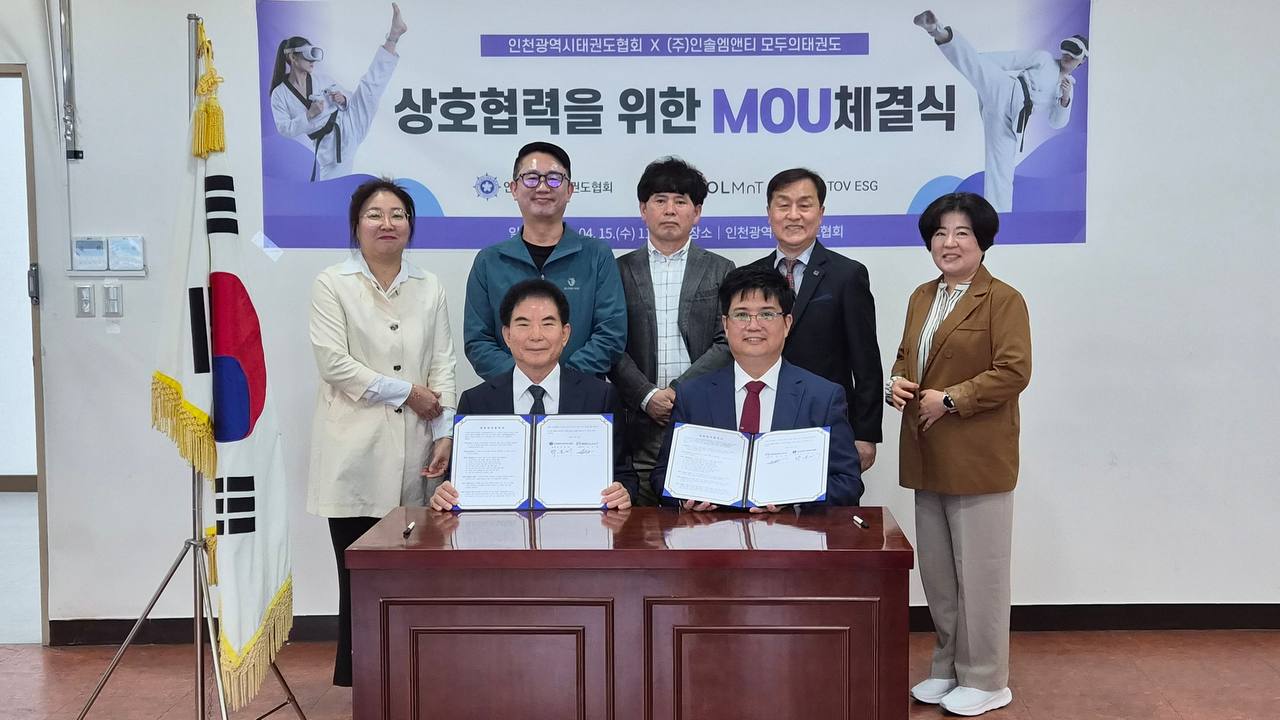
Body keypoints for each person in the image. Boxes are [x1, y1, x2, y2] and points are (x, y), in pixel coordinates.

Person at [305, 177, 457, 687]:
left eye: (398, 214)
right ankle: (362, 679)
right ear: (356, 225)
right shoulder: (333, 283)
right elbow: (334, 363)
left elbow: (443, 363)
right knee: (359, 573)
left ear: (410, 225)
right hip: (354, 451)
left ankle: (414, 674)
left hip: (418, 448)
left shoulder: (429, 286)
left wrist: (445, 431)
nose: (387, 223)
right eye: (374, 214)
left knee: (414, 572)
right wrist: (406, 392)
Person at [887, 192, 1031, 716]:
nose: (949, 243)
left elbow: (1014, 371)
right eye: (940, 233)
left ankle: (987, 678)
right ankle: (948, 668)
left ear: (982, 241)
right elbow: (907, 355)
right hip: (927, 453)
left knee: (981, 574)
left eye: (962, 233)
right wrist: (896, 382)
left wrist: (950, 399)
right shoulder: (922, 296)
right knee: (940, 575)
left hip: (977, 456)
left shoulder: (1003, 299)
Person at [650, 266, 864, 510]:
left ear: (787, 323)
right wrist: (685, 498)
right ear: (725, 325)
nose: (753, 325)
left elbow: (847, 482)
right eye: (741, 315)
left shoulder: (822, 397)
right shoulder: (692, 395)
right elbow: (662, 476)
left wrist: (794, 499)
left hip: (791, 531)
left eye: (766, 314)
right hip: (712, 529)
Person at [432, 279, 637, 510]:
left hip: (580, 526)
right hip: (499, 528)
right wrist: (445, 494)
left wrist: (623, 492)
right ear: (507, 335)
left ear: (565, 333)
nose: (536, 335)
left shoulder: (600, 397)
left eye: (547, 324)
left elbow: (624, 475)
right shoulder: (476, 402)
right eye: (523, 324)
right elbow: (457, 482)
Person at [609, 158, 735, 505]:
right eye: (660, 200)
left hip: (701, 420)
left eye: (680, 201)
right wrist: (648, 395)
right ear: (643, 209)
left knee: (702, 523)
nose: (669, 210)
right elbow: (610, 342)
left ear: (697, 212)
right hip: (636, 422)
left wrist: (681, 392)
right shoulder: (618, 270)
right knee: (636, 526)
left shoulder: (721, 269)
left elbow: (727, 340)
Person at [747, 168, 882, 473]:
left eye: (804, 205)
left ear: (820, 213)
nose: (794, 215)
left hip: (826, 420)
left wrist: (866, 433)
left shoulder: (847, 275)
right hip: (762, 419)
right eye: (783, 205)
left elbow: (866, 361)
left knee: (828, 502)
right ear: (769, 213)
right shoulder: (749, 277)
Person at [463, 141, 627, 380]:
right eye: (531, 178)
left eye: (554, 178)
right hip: (510, 396)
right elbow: (478, 340)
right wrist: (521, 380)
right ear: (514, 189)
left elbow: (611, 333)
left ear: (569, 190)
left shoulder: (597, 255)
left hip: (583, 393)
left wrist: (563, 380)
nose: (542, 187)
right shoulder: (489, 262)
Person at [913, 10, 1087, 212]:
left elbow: (1056, 123)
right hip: (1007, 89)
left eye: (1073, 55)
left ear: (1082, 61)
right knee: (975, 66)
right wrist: (978, 63)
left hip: (1014, 120)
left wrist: (1064, 98)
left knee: (1001, 171)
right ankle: (937, 30)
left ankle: (998, 218)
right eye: (1066, 52)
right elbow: (1009, 60)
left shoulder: (1068, 88)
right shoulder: (1044, 59)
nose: (1067, 56)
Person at [269, 3, 407, 181]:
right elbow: (284, 129)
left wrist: (343, 100)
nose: (313, 61)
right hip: (331, 150)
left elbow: (347, 96)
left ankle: (394, 35)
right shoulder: (279, 94)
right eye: (308, 55)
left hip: (349, 122)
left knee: (369, 87)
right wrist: (309, 115)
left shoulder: (322, 79)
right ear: (293, 57)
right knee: (334, 189)